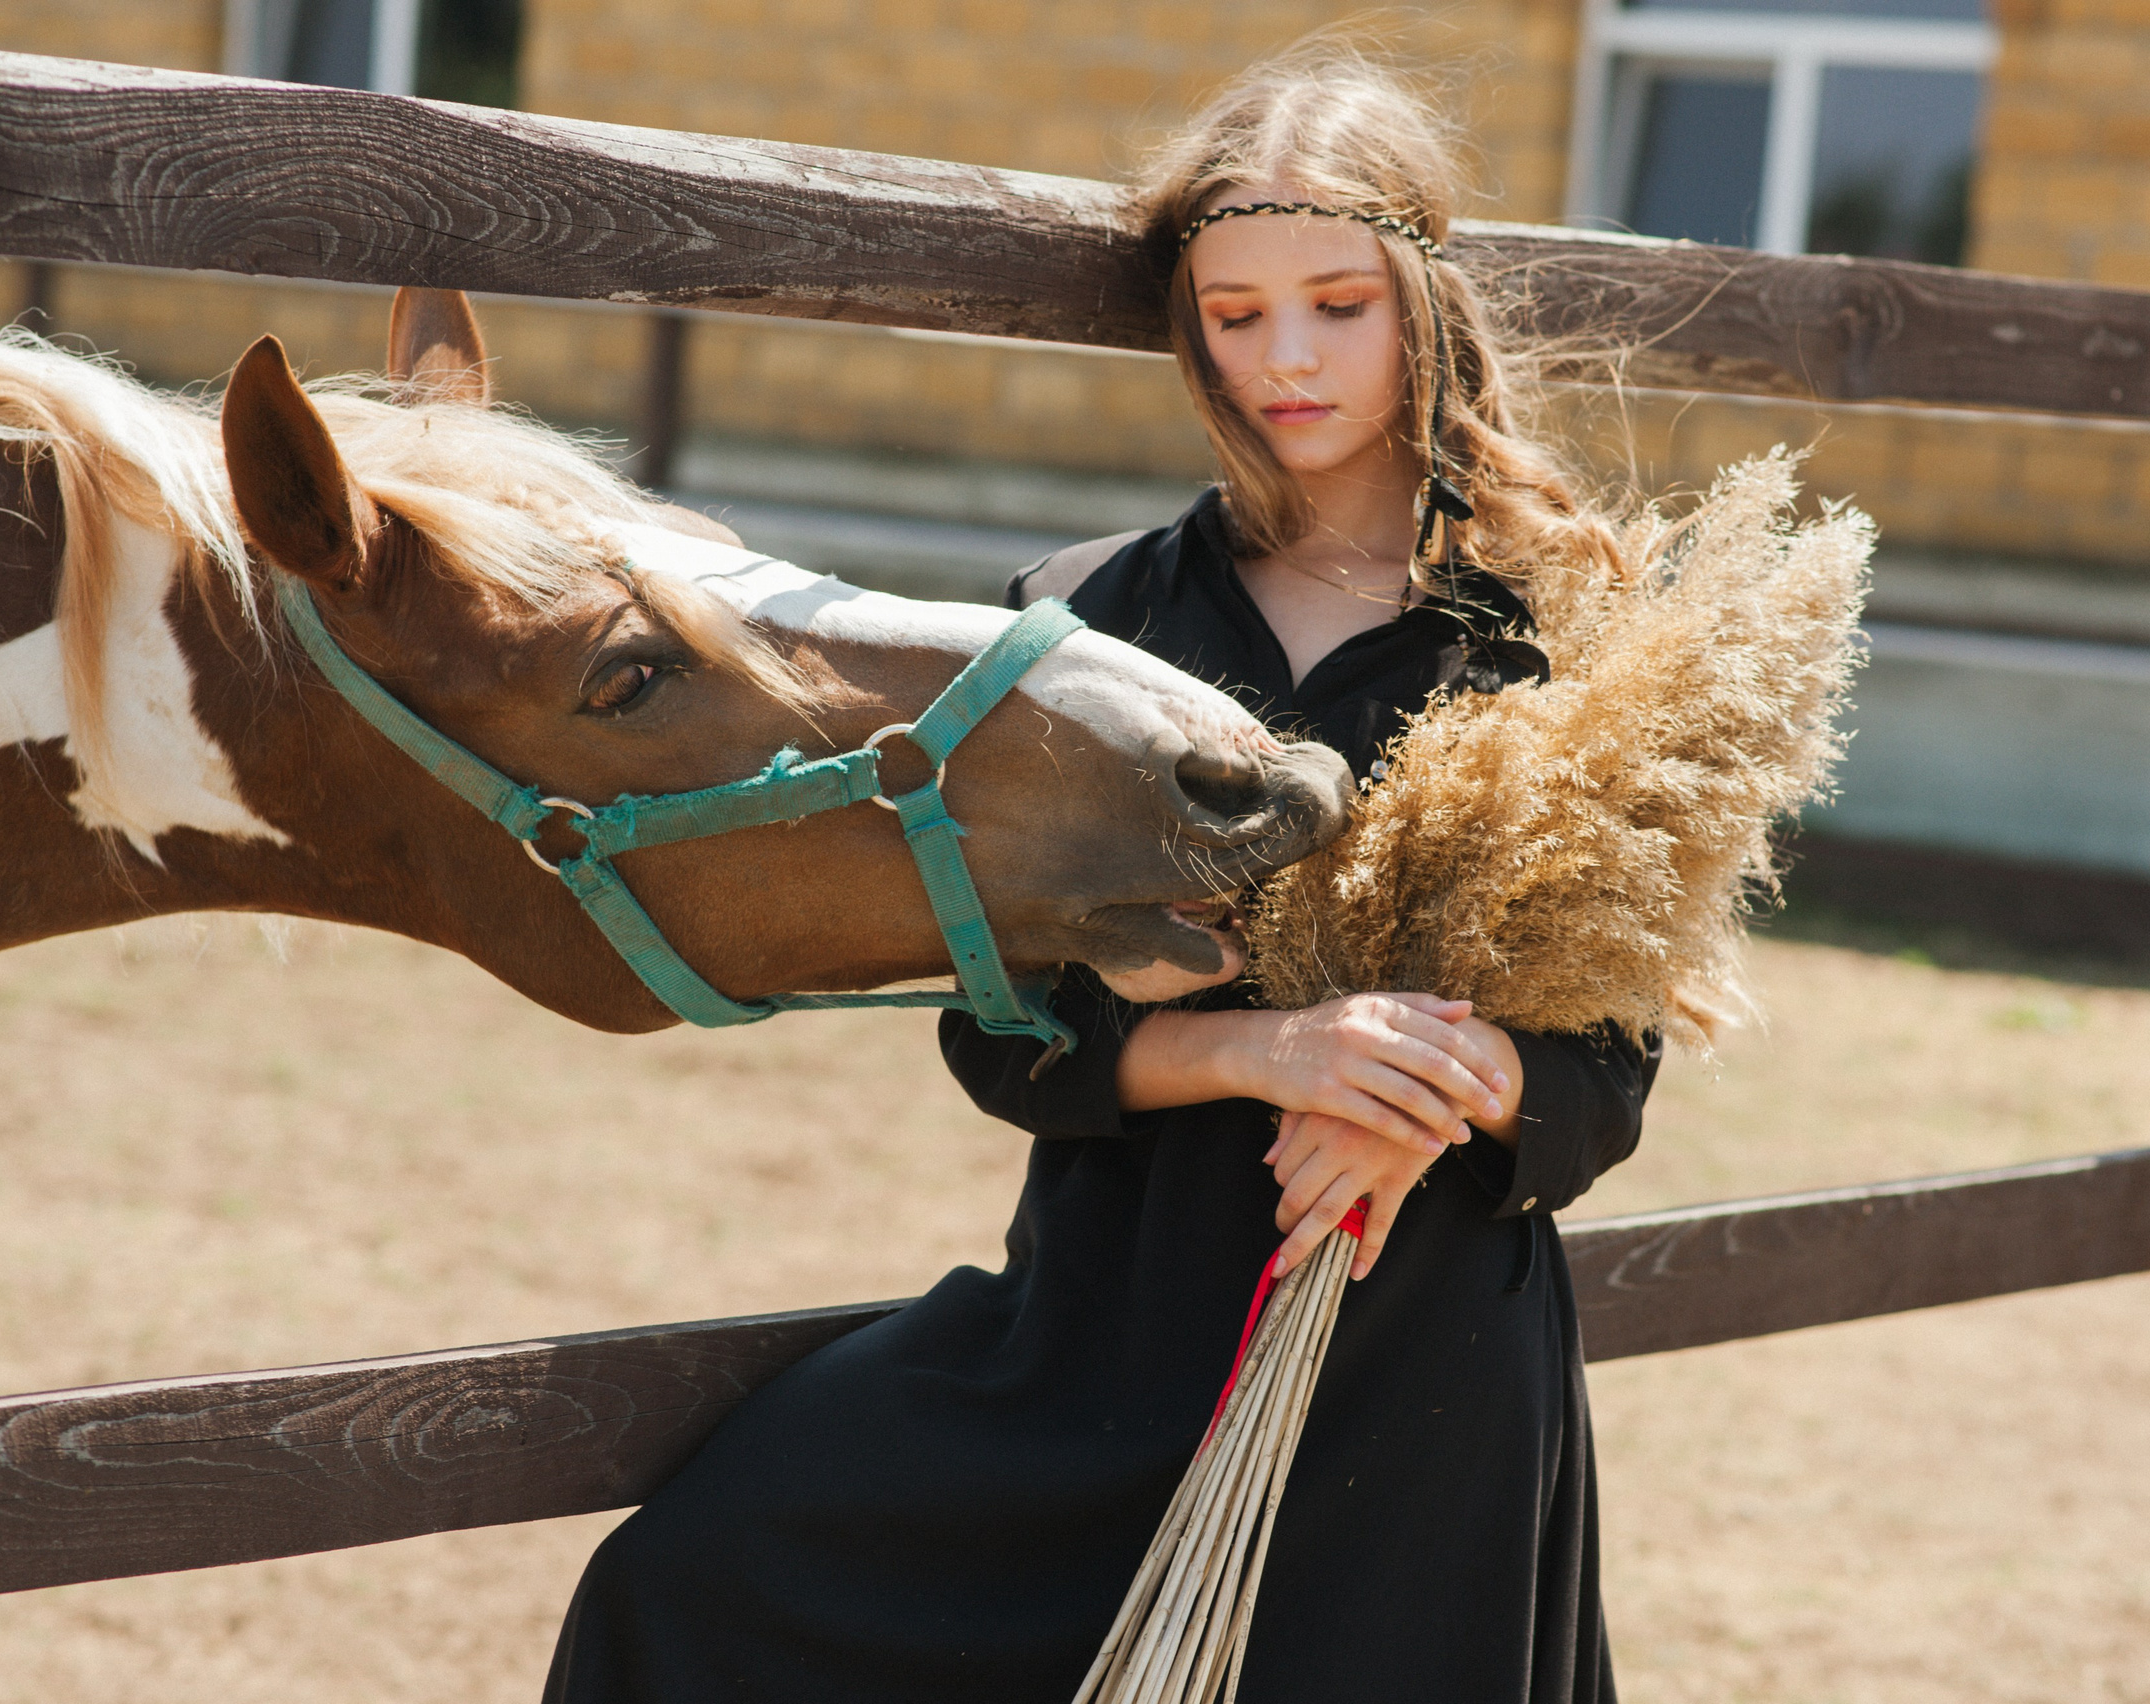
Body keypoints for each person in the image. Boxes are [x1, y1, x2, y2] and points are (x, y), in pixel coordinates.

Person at [543, 48, 1658, 1704]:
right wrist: (1277, 1052)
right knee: (689, 1587)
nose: (1286, 358)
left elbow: (1607, 1073)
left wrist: (1417, 1091)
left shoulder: (1566, 630)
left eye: (1339, 305)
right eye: (1235, 314)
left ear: (1424, 299)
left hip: (1418, 1374)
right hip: (1098, 1341)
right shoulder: (1081, 622)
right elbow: (1002, 1035)